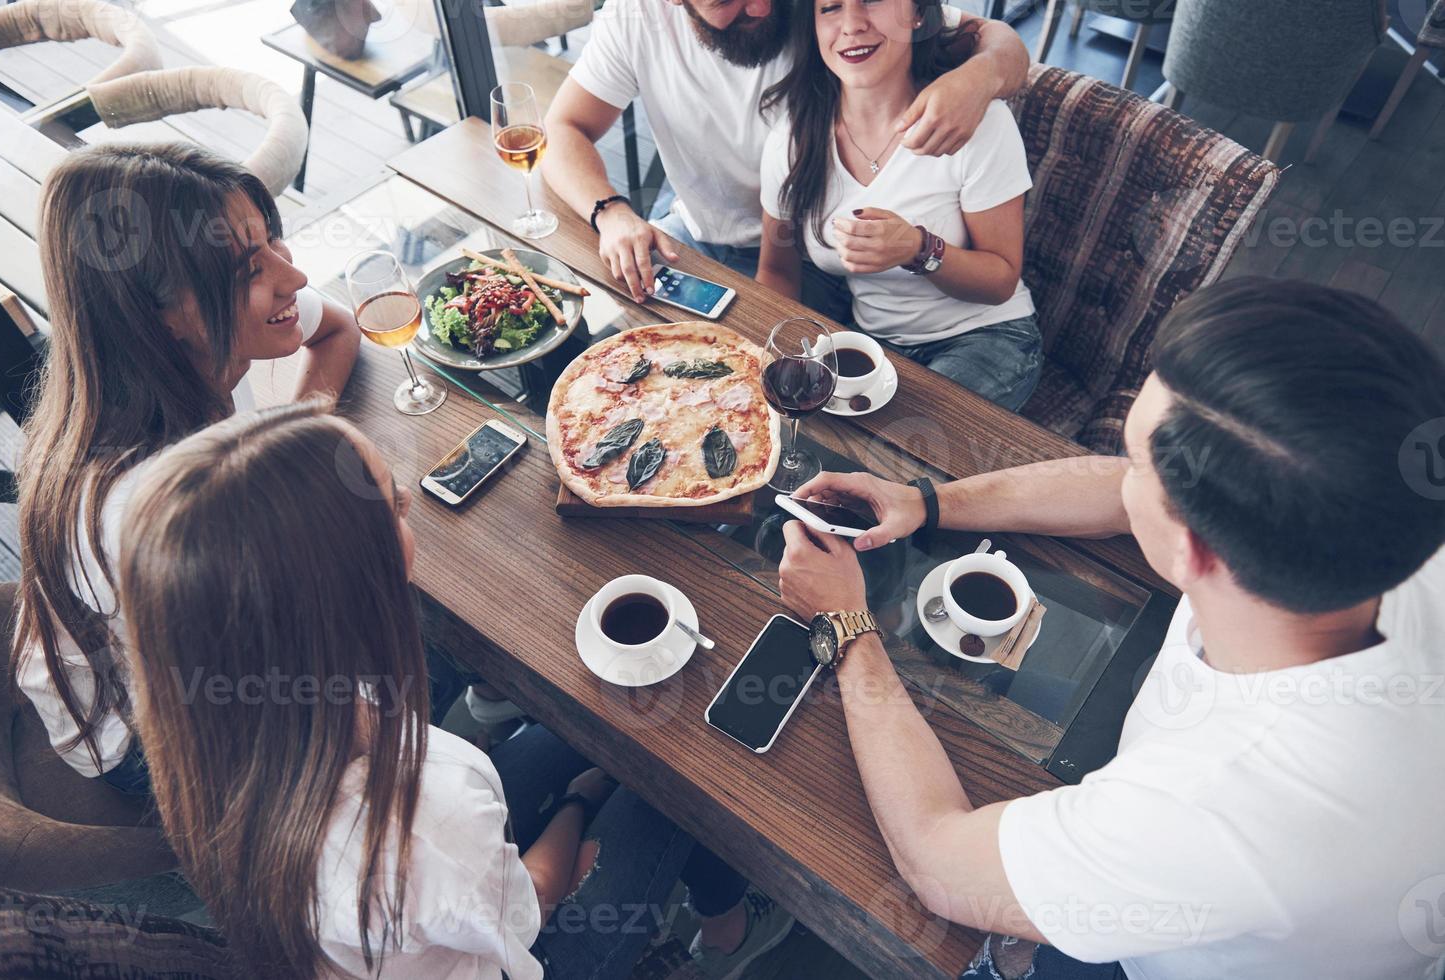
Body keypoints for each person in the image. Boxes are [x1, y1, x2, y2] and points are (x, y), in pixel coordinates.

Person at [774, 278, 1445, 979]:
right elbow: (1132, 489)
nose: (1120, 479)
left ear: (1194, 550)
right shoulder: (1389, 509)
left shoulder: (1213, 811)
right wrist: (925, 502)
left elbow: (935, 861)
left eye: (1136, 466)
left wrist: (845, 625)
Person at [118, 400, 792, 979]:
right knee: (673, 783)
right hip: (526, 951)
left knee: (567, 737)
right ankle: (727, 934)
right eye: (395, 506)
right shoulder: (428, 813)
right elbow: (531, 902)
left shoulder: (215, 731)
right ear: (349, 585)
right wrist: (580, 806)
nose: (410, 502)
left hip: (413, 901)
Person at [12, 142, 363, 792]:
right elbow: (268, 687)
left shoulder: (182, 344)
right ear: (161, 316)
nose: (294, 279)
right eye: (244, 273)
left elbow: (339, 328)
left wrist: (295, 434)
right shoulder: (150, 501)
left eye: (273, 243)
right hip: (153, 734)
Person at [540, 0, 1030, 314]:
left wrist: (979, 78)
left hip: (812, 256)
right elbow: (562, 129)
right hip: (700, 233)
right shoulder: (635, 22)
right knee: (624, 338)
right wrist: (611, 212)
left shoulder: (839, 15)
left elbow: (998, 40)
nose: (758, 6)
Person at [757, 0, 1040, 412]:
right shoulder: (792, 138)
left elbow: (1000, 283)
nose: (852, 24)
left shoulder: (978, 123)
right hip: (871, 343)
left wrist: (917, 249)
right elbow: (776, 270)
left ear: (919, 15)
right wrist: (769, 362)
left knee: (904, 440)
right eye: (830, 8)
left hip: (987, 336)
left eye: (872, 1)